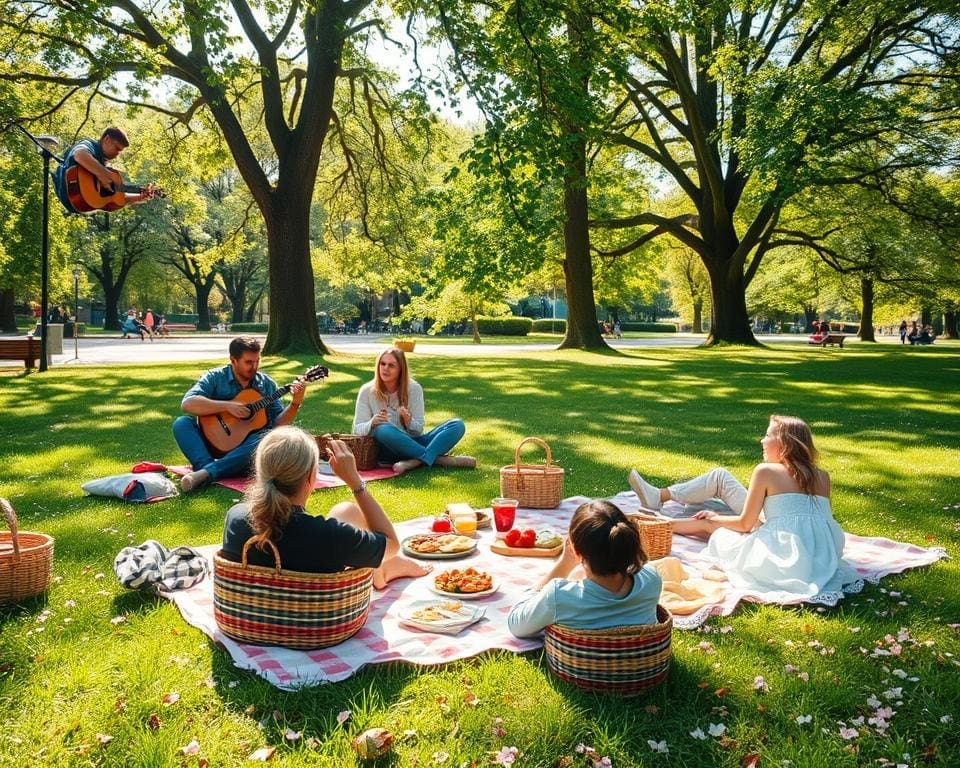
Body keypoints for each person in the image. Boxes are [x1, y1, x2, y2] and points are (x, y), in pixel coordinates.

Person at [628, 415, 859, 597]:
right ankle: (658, 504)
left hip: (785, 550)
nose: (762, 440)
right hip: (820, 551)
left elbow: (746, 524)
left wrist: (715, 518)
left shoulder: (766, 471)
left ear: (785, 443)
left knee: (716, 529)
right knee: (717, 497)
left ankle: (655, 521)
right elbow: (816, 520)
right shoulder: (823, 476)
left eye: (767, 435)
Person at [221, 427, 429, 589]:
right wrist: (355, 482)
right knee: (354, 521)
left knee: (345, 511)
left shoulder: (236, 517)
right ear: (311, 478)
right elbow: (391, 545)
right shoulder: (325, 535)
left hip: (250, 619)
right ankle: (382, 568)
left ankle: (381, 569)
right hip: (312, 629)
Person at [507, 500, 662, 637]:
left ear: (577, 551)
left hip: (579, 668)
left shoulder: (559, 597)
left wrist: (564, 563)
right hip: (645, 665)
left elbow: (517, 624)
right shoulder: (651, 579)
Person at [173, 336, 305, 492]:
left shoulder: (266, 384)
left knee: (265, 437)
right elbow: (188, 403)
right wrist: (227, 406)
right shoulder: (215, 378)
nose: (254, 367)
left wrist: (295, 403)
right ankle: (209, 468)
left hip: (245, 450)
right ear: (233, 360)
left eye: (257, 361)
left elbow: (277, 425)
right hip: (210, 442)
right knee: (182, 423)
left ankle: (206, 474)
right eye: (248, 362)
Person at [352, 346, 476, 474]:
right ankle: (433, 457)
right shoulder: (367, 391)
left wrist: (408, 421)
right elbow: (356, 429)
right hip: (385, 449)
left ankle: (415, 461)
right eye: (382, 364)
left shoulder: (414, 389)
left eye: (391, 365)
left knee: (457, 425)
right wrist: (372, 422)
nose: (385, 369)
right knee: (382, 429)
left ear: (401, 369)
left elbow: (417, 431)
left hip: (412, 444)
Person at [52, 127, 153, 213]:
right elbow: (79, 154)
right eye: (117, 148)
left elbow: (116, 199)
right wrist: (104, 174)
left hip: (79, 202)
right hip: (67, 192)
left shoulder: (101, 162)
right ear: (107, 139)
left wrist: (140, 196)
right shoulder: (90, 144)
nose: (117, 154)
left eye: (120, 152)